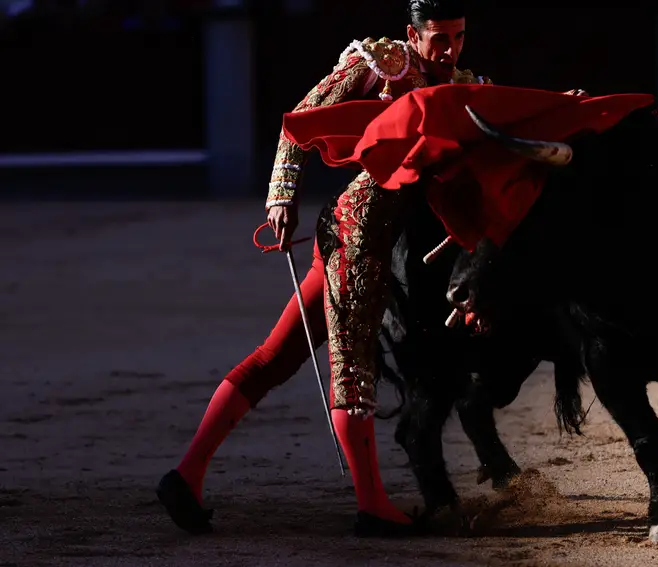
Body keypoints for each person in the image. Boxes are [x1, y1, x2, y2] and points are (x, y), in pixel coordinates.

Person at [156, 0, 490, 538]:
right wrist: (281, 196)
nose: (449, 49)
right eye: (438, 38)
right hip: (359, 237)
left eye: (458, 36)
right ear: (413, 33)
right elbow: (301, 121)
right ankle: (373, 505)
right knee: (352, 369)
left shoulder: (466, 87)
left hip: (364, 235)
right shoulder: (383, 64)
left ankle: (186, 475)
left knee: (275, 357)